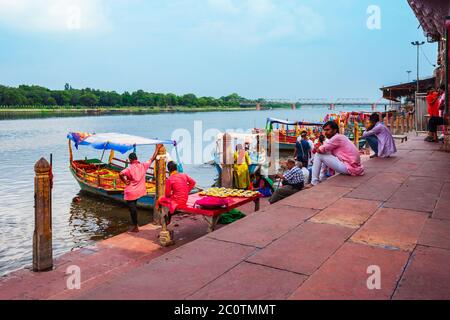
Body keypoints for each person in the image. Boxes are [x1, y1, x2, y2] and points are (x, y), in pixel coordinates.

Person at [119, 148, 160, 233]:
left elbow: (120, 173)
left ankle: (135, 226)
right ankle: (135, 224)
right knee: (133, 207)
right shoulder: (143, 165)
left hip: (131, 193)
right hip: (139, 191)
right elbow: (152, 158)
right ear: (136, 159)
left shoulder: (129, 168)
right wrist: (157, 148)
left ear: (130, 160)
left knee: (132, 209)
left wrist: (124, 181)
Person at [311, 121, 364, 186]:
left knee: (318, 155)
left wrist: (317, 148)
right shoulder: (341, 136)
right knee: (324, 153)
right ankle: (322, 178)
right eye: (324, 130)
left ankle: (314, 182)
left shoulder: (336, 138)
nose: (325, 133)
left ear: (335, 130)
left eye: (328, 130)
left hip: (349, 167)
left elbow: (320, 150)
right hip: (354, 167)